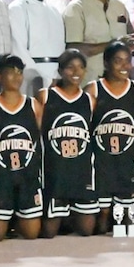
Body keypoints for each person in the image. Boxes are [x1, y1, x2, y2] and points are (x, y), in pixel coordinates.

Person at [0, 54, 43, 241]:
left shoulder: (33, 105)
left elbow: (39, 140)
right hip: (0, 179)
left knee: (32, 234)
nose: (16, 77)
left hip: (27, 178)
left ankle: (17, 219)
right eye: (10, 72)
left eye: (19, 72)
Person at [38, 49, 97, 238]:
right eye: (70, 68)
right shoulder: (45, 96)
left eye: (80, 67)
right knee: (49, 233)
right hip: (56, 170)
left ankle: (70, 216)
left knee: (87, 231)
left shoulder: (89, 100)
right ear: (61, 70)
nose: (76, 72)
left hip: (81, 170)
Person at [84, 42, 134, 234]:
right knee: (102, 219)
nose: (125, 66)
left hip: (127, 158)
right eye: (118, 61)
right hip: (101, 160)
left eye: (128, 61)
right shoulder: (94, 89)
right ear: (106, 63)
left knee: (128, 219)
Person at [63, 0, 134, 84]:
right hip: (91, 83)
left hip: (121, 83)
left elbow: (132, 37)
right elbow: (74, 49)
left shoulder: (119, 6)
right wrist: (113, 44)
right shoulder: (76, 9)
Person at [8, 0, 66, 94]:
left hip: (58, 81)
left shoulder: (54, 11)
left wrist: (59, 78)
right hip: (31, 80)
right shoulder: (17, 9)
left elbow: (62, 48)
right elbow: (19, 51)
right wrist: (44, 80)